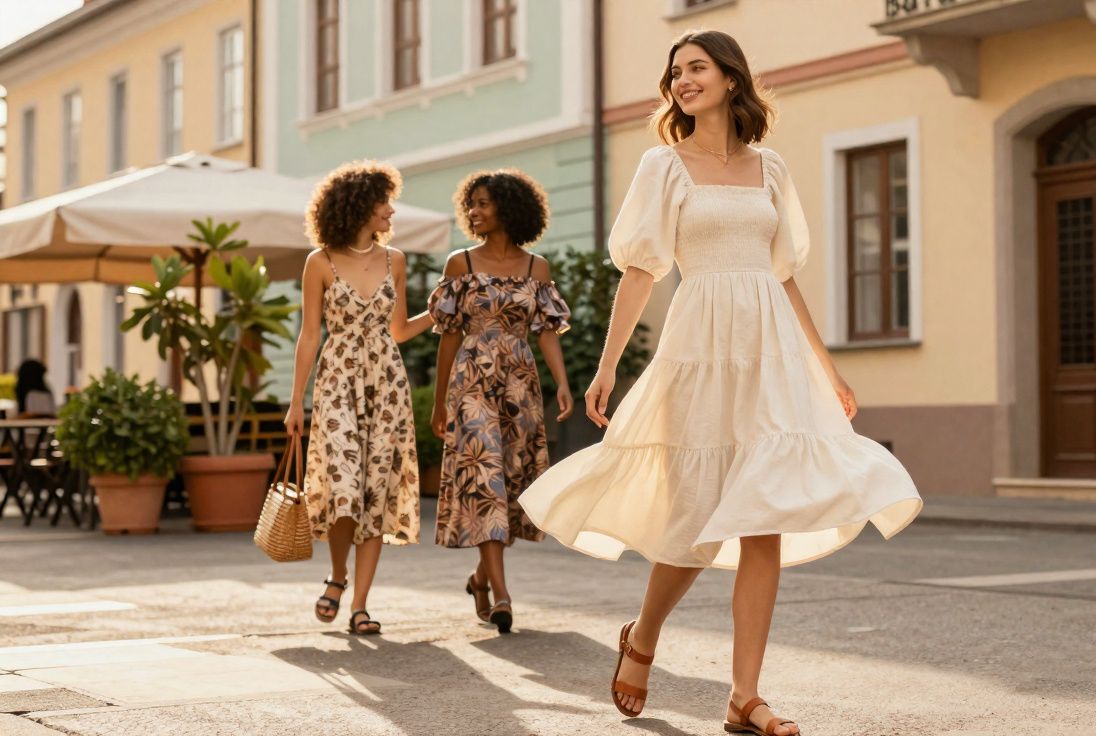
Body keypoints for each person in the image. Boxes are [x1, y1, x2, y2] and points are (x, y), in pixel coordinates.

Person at [518, 30, 923, 735]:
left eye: (696, 67)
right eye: (675, 71)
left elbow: (783, 276)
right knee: (696, 520)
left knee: (762, 519)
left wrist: (826, 369)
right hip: (700, 352)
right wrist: (608, 365)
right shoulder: (663, 165)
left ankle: (745, 695)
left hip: (770, 356)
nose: (682, 80)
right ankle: (643, 634)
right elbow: (640, 272)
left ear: (731, 79)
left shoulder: (771, 168)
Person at [285, 161, 434, 636]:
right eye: (384, 202)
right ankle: (337, 575)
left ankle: (360, 606)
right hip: (337, 382)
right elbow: (310, 335)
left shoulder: (396, 261)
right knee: (344, 487)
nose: (391, 210)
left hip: (387, 383)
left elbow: (399, 330)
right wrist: (295, 401)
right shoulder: (320, 262)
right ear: (360, 206)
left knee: (376, 491)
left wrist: (437, 311)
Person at [428, 169, 572, 634]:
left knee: (509, 487)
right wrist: (438, 401)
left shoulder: (536, 269)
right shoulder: (460, 264)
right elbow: (449, 336)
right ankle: (503, 595)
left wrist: (562, 383)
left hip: (520, 386)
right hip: (471, 382)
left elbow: (546, 331)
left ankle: (480, 579)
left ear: (508, 208)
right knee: (484, 480)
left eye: (483, 203)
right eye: (470, 203)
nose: (474, 211)